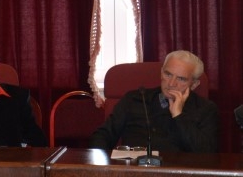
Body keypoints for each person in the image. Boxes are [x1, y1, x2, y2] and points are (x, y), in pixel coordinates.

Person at [89, 50, 218, 153]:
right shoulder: (135, 99)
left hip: (180, 175)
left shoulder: (206, 109)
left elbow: (207, 153)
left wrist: (178, 116)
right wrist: (104, 168)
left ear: (194, 84)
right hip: (135, 171)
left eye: (181, 79)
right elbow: (102, 136)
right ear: (161, 73)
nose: (171, 83)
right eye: (168, 74)